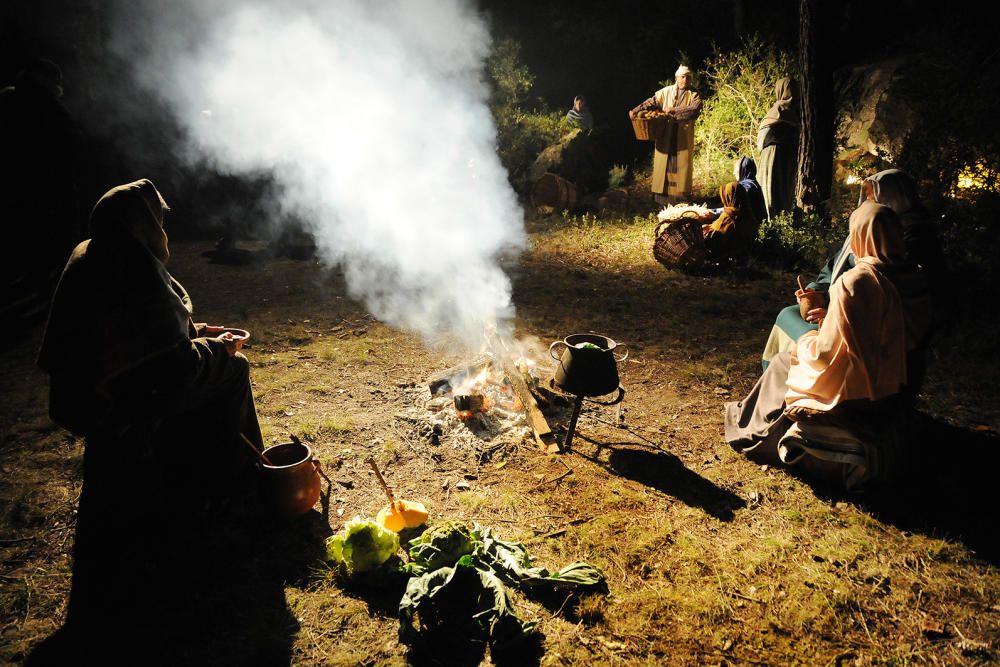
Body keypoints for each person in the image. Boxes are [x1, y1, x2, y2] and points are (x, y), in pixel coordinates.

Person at [36, 179, 264, 628]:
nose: (162, 228)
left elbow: (148, 338)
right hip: (119, 402)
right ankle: (239, 481)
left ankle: (197, 473)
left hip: (92, 396)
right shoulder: (131, 267)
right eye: (157, 219)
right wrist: (220, 350)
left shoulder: (92, 252)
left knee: (210, 365)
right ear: (141, 223)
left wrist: (197, 332)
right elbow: (172, 366)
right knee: (232, 373)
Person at [725, 201, 932, 490]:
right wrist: (832, 317)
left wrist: (810, 337)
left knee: (786, 361)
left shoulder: (857, 281)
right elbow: (887, 334)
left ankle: (755, 431)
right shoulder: (915, 276)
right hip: (896, 384)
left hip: (857, 393)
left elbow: (826, 353)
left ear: (861, 236)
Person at [761, 168, 946, 373]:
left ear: (893, 197)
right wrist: (817, 292)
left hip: (861, 330)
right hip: (843, 307)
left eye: (873, 197)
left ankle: (791, 377)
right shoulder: (866, 225)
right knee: (788, 314)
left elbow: (883, 303)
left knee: (798, 337)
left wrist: (834, 315)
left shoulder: (908, 241)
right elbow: (833, 267)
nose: (868, 201)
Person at [0, 58, 79, 319]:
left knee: (29, 237)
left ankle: (39, 284)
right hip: (46, 183)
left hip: (18, 183)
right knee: (50, 237)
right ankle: (53, 290)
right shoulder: (49, 107)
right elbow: (66, 144)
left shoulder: (9, 100)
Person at [629, 65, 703, 205]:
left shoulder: (694, 94)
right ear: (677, 78)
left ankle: (680, 198)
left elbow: (694, 109)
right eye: (682, 77)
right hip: (666, 134)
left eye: (688, 77)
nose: (685, 80)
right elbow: (651, 101)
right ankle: (661, 198)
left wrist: (674, 110)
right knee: (665, 162)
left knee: (681, 164)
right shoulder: (666, 92)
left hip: (682, 135)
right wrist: (635, 110)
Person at [756, 77, 798, 220]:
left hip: (773, 156)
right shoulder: (796, 111)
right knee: (782, 191)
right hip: (786, 157)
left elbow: (762, 138)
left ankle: (774, 224)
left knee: (771, 190)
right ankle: (781, 222)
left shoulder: (777, 110)